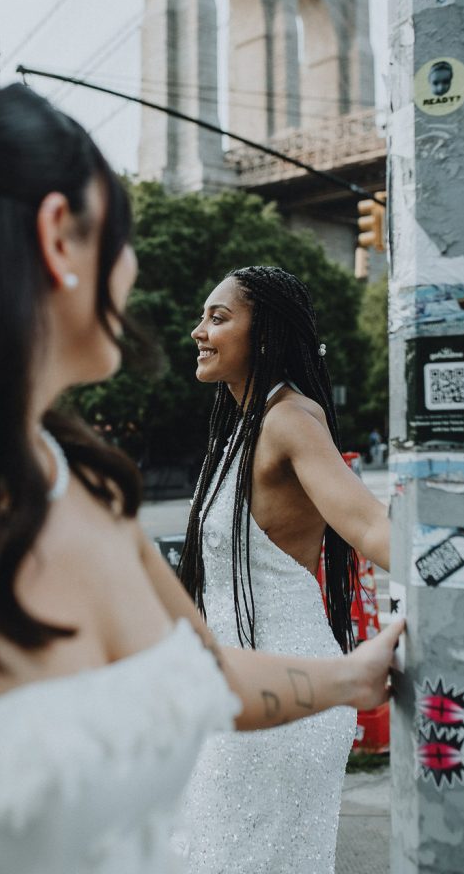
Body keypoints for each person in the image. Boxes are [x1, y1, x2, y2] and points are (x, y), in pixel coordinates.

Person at [0, 87, 402, 874]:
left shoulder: (78, 489)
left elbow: (203, 678)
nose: (138, 271)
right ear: (57, 239)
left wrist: (351, 677)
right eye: (124, 237)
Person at [178, 265, 391, 874]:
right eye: (203, 316)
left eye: (219, 318)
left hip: (284, 699)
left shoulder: (290, 418)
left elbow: (370, 525)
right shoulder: (240, 428)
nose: (199, 331)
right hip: (237, 691)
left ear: (265, 336)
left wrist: (461, 570)